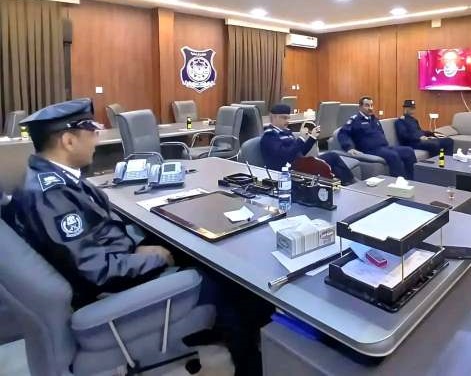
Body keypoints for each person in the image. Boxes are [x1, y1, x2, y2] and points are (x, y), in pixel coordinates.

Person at [1, 99, 270, 375]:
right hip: (107, 295)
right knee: (226, 279)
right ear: (69, 141)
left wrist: (137, 246)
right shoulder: (51, 195)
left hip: (111, 266)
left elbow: (92, 244)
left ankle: (216, 327)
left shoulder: (50, 177)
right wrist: (157, 258)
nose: (97, 139)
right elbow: (97, 272)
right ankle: (248, 361)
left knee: (191, 245)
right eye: (91, 132)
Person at [260, 104, 357, 185]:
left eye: (288, 118)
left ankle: (349, 183)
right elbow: (286, 156)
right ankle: (349, 183)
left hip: (300, 165)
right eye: (284, 118)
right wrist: (301, 139)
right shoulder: (270, 136)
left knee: (332, 158)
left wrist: (312, 138)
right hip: (290, 171)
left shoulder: (286, 132)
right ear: (273, 117)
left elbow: (301, 152)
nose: (287, 121)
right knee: (328, 161)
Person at [337, 96, 417, 179]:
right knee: (393, 156)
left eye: (371, 105)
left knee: (408, 151)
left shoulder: (374, 119)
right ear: (360, 107)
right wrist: (349, 148)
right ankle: (399, 183)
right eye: (367, 105)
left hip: (384, 147)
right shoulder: (355, 120)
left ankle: (412, 180)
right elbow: (343, 133)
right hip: (370, 149)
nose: (370, 108)